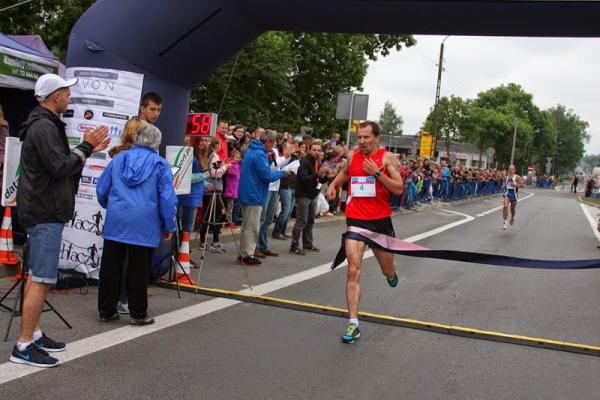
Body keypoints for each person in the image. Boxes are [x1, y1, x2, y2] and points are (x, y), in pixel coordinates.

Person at [11, 73, 110, 368]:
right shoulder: (43, 126)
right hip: (45, 212)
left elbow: (59, 166)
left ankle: (34, 334)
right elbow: (60, 167)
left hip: (44, 210)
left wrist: (85, 150)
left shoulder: (45, 123)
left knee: (37, 277)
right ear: (56, 96)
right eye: (67, 92)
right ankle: (23, 346)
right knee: (41, 279)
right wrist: (86, 147)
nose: (69, 97)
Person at [326, 121, 404, 344]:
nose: (361, 141)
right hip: (356, 220)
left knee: (388, 270)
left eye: (366, 137)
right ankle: (354, 323)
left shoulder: (387, 158)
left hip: (380, 222)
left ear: (376, 138)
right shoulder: (353, 156)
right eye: (359, 137)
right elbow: (345, 172)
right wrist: (333, 185)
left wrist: (377, 173)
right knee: (353, 270)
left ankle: (391, 273)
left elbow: (398, 189)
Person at [96, 123, 177, 326]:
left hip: (117, 218)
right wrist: (169, 225)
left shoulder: (118, 159)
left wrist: (111, 206)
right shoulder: (160, 164)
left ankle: (106, 310)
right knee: (139, 269)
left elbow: (102, 189)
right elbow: (167, 199)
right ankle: (138, 313)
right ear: (157, 142)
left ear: (136, 138)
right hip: (145, 222)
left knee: (111, 265)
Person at [237, 130, 289, 265]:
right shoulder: (259, 154)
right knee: (252, 226)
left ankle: (244, 253)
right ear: (267, 142)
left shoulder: (251, 150)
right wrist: (282, 173)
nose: (273, 146)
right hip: (254, 194)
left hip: (248, 192)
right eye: (273, 143)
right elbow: (267, 176)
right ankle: (246, 255)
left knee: (247, 226)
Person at [255, 132, 290, 258]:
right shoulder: (265, 152)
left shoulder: (274, 151)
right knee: (262, 218)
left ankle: (263, 246)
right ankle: (255, 247)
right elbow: (270, 167)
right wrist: (285, 157)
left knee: (269, 218)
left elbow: (278, 165)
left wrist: (287, 158)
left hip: (275, 186)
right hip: (268, 187)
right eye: (275, 141)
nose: (276, 143)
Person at [290, 142, 328, 255]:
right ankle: (294, 246)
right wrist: (318, 174)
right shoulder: (304, 162)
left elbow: (319, 180)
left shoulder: (318, 162)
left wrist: (327, 176)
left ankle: (307, 244)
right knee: (301, 221)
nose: (316, 152)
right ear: (309, 150)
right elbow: (304, 178)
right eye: (314, 150)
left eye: (318, 150)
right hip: (304, 195)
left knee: (310, 221)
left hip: (313, 194)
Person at [199, 136, 229, 253]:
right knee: (215, 217)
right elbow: (215, 173)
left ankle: (203, 241)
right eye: (220, 144)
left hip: (208, 189)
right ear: (216, 145)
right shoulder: (214, 156)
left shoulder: (208, 155)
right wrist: (225, 167)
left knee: (207, 216)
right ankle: (214, 241)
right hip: (213, 189)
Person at [273, 141, 299, 240]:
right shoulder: (280, 158)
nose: (293, 149)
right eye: (290, 147)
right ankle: (277, 232)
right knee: (286, 210)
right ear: (284, 149)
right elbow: (279, 169)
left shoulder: (295, 157)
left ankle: (282, 231)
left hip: (294, 186)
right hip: (285, 186)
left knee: (289, 211)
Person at [223, 149, 242, 229]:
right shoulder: (231, 165)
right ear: (232, 157)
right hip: (230, 190)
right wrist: (234, 164)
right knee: (229, 207)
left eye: (239, 157)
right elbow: (232, 173)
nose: (238, 159)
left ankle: (229, 221)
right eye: (236, 157)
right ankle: (228, 222)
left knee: (230, 206)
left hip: (234, 190)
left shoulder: (237, 165)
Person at [502, 164, 524, 230]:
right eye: (509, 169)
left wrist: (515, 185)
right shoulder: (506, 177)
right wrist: (503, 186)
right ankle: (505, 222)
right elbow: (504, 185)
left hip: (514, 194)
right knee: (505, 206)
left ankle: (512, 217)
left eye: (512, 169)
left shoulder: (517, 177)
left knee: (512, 209)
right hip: (507, 193)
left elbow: (522, 185)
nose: (510, 170)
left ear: (514, 170)